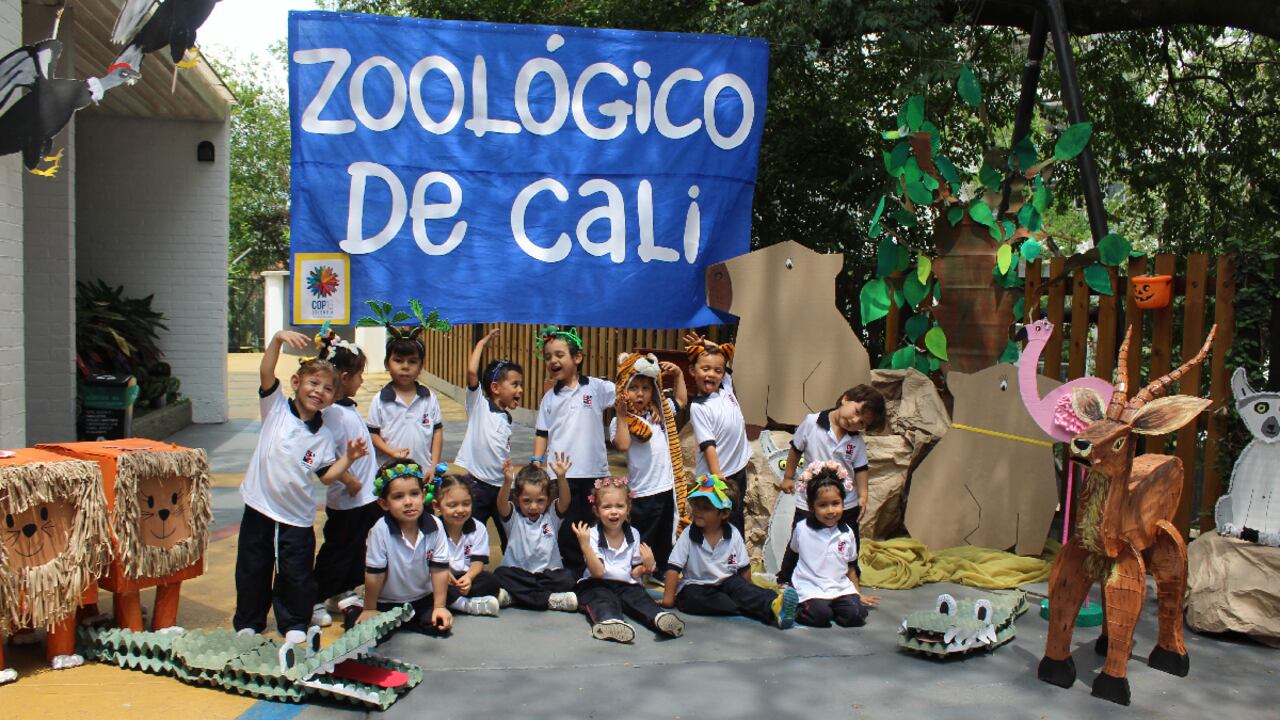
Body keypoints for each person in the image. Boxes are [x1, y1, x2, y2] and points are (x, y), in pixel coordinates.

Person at [234, 330, 367, 643]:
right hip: (259, 507)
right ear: (296, 383)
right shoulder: (275, 409)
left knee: (295, 572)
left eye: (327, 389)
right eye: (313, 383)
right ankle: (249, 621)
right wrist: (277, 340)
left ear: (334, 397)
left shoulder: (323, 435)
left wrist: (348, 459)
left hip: (296, 517)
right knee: (253, 566)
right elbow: (266, 371)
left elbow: (325, 475)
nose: (318, 391)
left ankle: (294, 620)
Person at [311, 327, 383, 628]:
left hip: (364, 496)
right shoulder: (331, 415)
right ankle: (314, 597)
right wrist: (350, 479)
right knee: (337, 549)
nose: (361, 381)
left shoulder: (346, 410)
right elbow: (326, 456)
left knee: (356, 548)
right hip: (349, 498)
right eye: (358, 375)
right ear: (344, 378)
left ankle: (340, 590)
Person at [531, 326, 617, 574]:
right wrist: (537, 461)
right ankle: (569, 570)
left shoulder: (596, 388)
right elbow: (542, 433)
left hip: (593, 471)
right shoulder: (549, 398)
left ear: (577, 357)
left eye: (559, 355)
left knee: (592, 523)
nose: (553, 361)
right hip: (560, 474)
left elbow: (625, 393)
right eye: (548, 357)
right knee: (564, 523)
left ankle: (595, 567)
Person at [661, 475, 798, 628]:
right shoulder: (688, 535)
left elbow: (744, 569)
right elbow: (674, 568)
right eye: (696, 505)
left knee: (744, 592)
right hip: (698, 586)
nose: (698, 511)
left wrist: (748, 590)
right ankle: (754, 607)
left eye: (706, 508)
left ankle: (776, 604)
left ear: (724, 513)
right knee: (690, 599)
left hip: (728, 583)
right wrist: (668, 599)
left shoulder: (733, 534)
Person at [781, 385, 886, 577]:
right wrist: (789, 477)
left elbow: (861, 469)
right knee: (801, 535)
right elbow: (796, 449)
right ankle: (788, 576)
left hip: (845, 501)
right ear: (845, 399)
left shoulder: (855, 441)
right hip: (810, 499)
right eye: (856, 412)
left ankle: (849, 576)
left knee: (849, 536)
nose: (854, 421)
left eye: (861, 423)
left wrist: (863, 496)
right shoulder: (812, 423)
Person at [572, 477, 685, 643]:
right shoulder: (593, 534)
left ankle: (659, 618)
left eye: (619, 506)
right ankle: (610, 622)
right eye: (607, 506)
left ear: (628, 508)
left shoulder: (634, 534)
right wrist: (585, 545)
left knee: (639, 597)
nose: (614, 511)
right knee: (601, 600)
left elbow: (634, 571)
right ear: (596, 510)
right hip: (597, 583)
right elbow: (598, 572)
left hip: (625, 585)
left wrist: (648, 566)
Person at [611, 352, 687, 576]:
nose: (640, 394)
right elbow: (623, 445)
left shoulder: (659, 413)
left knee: (665, 536)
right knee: (642, 539)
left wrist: (679, 375)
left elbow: (681, 401)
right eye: (633, 388)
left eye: (646, 388)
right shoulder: (621, 421)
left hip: (667, 488)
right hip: (643, 492)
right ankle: (633, 573)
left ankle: (659, 572)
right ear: (623, 389)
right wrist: (622, 414)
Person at [778, 464, 881, 628]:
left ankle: (835, 607)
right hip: (810, 588)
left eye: (836, 503)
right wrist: (784, 582)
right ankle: (796, 607)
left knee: (856, 615)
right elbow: (792, 553)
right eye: (823, 505)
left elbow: (851, 567)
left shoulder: (847, 533)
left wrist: (857, 593)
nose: (831, 510)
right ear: (812, 507)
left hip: (840, 588)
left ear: (843, 503)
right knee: (820, 616)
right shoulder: (802, 529)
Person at [357, 461, 453, 635]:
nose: (408, 502)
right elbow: (375, 573)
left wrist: (439, 606)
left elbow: (439, 569)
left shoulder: (436, 525)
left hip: (422, 598)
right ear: (384, 503)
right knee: (365, 633)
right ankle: (355, 605)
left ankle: (403, 620)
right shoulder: (380, 530)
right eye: (398, 497)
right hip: (387, 601)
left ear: (424, 495)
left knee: (439, 626)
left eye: (414, 494)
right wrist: (369, 608)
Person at [455, 327, 523, 550]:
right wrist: (482, 343)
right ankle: (466, 571)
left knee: (511, 534)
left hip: (502, 487)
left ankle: (512, 571)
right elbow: (472, 373)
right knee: (471, 533)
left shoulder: (506, 418)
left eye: (520, 384)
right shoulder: (479, 406)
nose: (520, 390)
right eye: (515, 384)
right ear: (495, 387)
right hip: (478, 486)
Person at [492, 453, 579, 612]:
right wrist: (507, 482)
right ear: (517, 499)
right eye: (527, 501)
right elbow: (501, 504)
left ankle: (515, 597)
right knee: (499, 574)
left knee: (568, 577)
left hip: (546, 576)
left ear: (548, 499)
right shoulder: (513, 518)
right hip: (519, 575)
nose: (533, 507)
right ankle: (549, 600)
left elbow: (565, 501)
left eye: (540, 501)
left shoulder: (551, 517)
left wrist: (561, 477)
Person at [685, 333, 752, 531]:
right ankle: (704, 557)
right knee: (712, 521)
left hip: (737, 470)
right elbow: (708, 445)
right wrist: (718, 477)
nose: (712, 374)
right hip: (717, 476)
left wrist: (704, 344)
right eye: (705, 369)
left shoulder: (727, 389)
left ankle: (734, 558)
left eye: (717, 370)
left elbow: (724, 355)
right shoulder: (699, 407)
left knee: (735, 517)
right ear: (692, 370)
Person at [367, 324, 444, 469]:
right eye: (398, 360)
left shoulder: (429, 398)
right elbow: (373, 434)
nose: (405, 366)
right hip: (390, 472)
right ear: (387, 363)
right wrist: (391, 452)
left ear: (421, 366)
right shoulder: (380, 400)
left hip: (423, 471)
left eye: (412, 361)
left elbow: (437, 432)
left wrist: (433, 465)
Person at [435, 474, 503, 617]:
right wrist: (443, 575)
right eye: (452, 505)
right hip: (441, 576)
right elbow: (429, 563)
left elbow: (477, 561)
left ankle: (456, 601)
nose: (460, 510)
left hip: (465, 577)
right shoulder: (433, 529)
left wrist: (469, 578)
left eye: (466, 504)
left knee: (491, 580)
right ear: (437, 506)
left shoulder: (478, 528)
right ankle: (466, 605)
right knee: (429, 585)